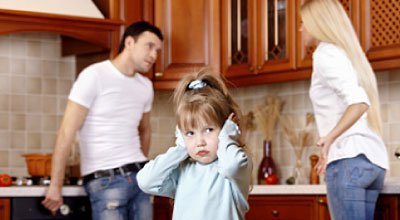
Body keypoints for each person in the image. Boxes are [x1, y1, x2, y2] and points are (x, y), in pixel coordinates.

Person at [42, 21, 163, 220]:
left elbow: (145, 130)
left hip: (140, 179)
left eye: (157, 50)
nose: (154, 56)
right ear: (130, 42)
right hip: (106, 181)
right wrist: (56, 186)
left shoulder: (145, 86)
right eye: (149, 46)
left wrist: (142, 170)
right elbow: (66, 132)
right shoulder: (94, 76)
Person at [300, 0, 389, 219]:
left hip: (348, 161)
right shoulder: (349, 55)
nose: (301, 28)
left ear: (317, 23)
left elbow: (359, 101)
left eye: (303, 22)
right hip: (373, 162)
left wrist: (329, 137)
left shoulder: (324, 54)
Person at [136, 69, 252, 220]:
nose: (200, 142)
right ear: (181, 135)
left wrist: (227, 138)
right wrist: (181, 148)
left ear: (225, 129)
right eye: (190, 133)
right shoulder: (182, 171)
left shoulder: (236, 165)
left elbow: (232, 166)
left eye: (209, 130)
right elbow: (146, 181)